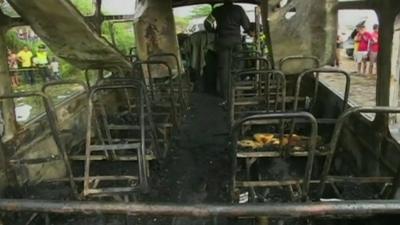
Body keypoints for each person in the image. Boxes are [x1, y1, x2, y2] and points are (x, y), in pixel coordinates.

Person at [204, 0, 251, 104]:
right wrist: (248, 31)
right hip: (236, 42)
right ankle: (236, 93)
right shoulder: (238, 9)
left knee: (224, 69)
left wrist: (214, 30)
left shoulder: (217, 10)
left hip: (222, 42)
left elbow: (207, 23)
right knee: (238, 67)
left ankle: (225, 97)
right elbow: (247, 26)